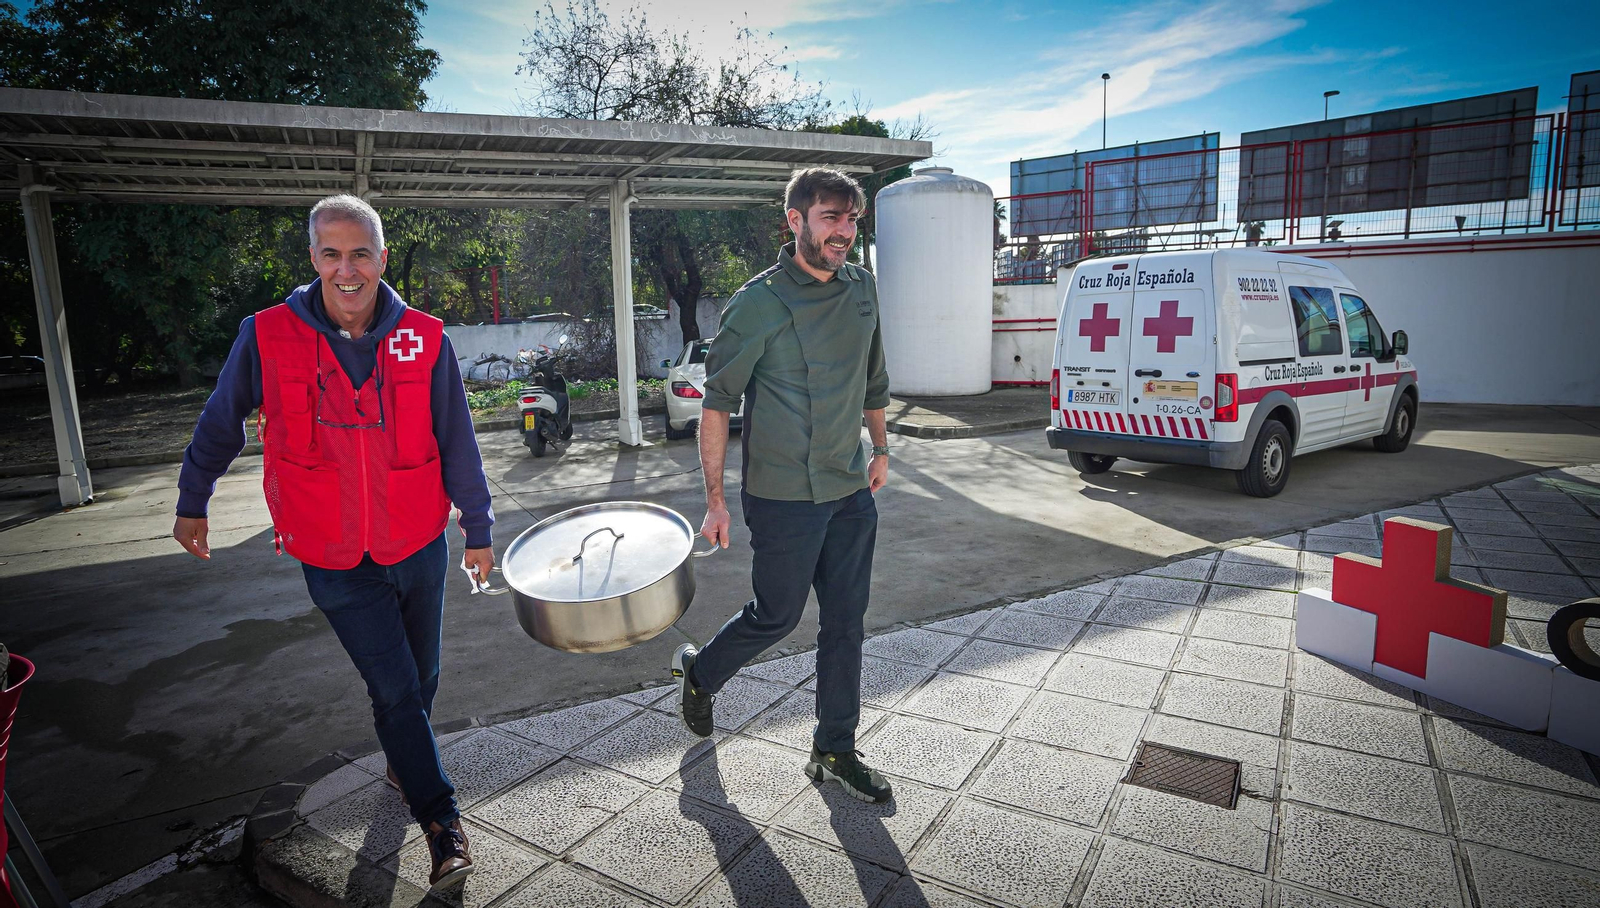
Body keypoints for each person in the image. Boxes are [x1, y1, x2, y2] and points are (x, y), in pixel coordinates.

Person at [171, 195, 492, 889]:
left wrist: (479, 527)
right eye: (330, 254)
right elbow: (222, 419)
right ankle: (443, 823)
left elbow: (457, 440)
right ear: (312, 258)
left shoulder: (425, 338)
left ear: (381, 257)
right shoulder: (267, 335)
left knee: (421, 678)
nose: (346, 270)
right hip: (331, 553)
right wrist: (192, 498)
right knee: (397, 690)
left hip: (417, 543)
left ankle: (405, 761)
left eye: (360, 253)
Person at [672, 168, 894, 803]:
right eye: (831, 218)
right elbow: (717, 404)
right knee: (777, 615)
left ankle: (835, 745)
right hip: (782, 495)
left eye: (852, 220)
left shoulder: (861, 288)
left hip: (850, 487)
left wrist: (880, 446)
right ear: (794, 220)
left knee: (847, 621)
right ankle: (701, 672)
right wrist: (715, 499)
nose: (845, 232)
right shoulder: (759, 303)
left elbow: (872, 376)